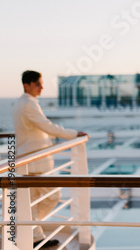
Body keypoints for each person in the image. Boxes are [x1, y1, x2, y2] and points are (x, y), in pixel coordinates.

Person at [12, 70, 87, 249]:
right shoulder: (28, 104)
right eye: (38, 84)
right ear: (27, 85)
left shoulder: (20, 103)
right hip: (34, 162)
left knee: (31, 201)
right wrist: (74, 134)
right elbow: (47, 127)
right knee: (53, 195)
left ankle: (31, 231)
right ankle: (31, 231)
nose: (42, 87)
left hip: (28, 160)